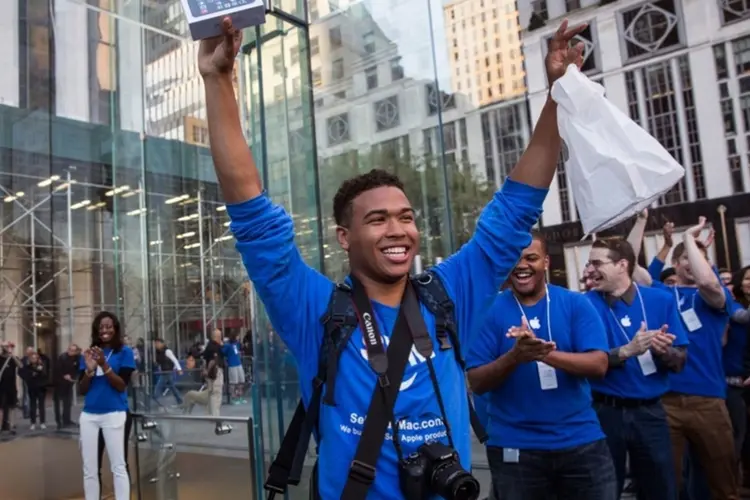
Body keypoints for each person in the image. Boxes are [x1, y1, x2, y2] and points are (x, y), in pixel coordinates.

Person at [198, 15, 585, 498]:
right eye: (377, 220)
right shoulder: (316, 311)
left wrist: (555, 95)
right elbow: (253, 216)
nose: (398, 230)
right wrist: (217, 80)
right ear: (345, 237)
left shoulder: (448, 299)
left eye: (406, 216)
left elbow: (515, 211)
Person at [467, 233, 615, 500]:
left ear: (546, 262)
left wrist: (544, 355)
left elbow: (599, 364)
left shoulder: (575, 304)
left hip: (581, 442)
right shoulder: (489, 312)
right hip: (515, 447)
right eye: (514, 259)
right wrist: (515, 357)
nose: (521, 265)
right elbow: (476, 381)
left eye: (531, 258)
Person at [636, 217, 737, 500]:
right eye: (687, 260)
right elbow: (629, 268)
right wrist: (641, 221)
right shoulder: (662, 293)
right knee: (666, 485)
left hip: (708, 401)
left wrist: (691, 240)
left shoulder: (714, 298)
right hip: (665, 401)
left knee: (722, 483)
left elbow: (707, 280)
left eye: (699, 260)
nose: (693, 265)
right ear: (677, 264)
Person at [584, 236, 688, 499]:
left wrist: (665, 351)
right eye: (589, 263)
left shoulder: (660, 300)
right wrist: (627, 351)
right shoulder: (584, 305)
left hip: (650, 412)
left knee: (660, 487)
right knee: (603, 489)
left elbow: (680, 360)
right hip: (604, 411)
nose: (590, 269)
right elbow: (583, 362)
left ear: (622, 265)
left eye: (597, 263)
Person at [78, 311, 135, 500]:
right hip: (89, 416)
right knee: (90, 469)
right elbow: (82, 390)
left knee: (118, 466)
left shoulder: (124, 352)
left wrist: (104, 365)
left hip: (114, 413)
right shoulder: (89, 353)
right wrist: (89, 370)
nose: (105, 330)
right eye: (101, 327)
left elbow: (121, 385)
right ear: (96, 330)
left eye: (109, 326)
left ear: (115, 328)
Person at [20, 350, 49, 430]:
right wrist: (32, 374)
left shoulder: (42, 365)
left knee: (41, 406)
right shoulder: (27, 367)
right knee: (32, 406)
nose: (34, 360)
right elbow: (26, 375)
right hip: (32, 388)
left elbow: (44, 374)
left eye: (35, 358)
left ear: (37, 358)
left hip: (41, 388)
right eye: (32, 358)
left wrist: (37, 372)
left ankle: (42, 422)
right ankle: (33, 423)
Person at [54, 344, 80, 429]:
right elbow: (57, 369)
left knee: (67, 403)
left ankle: (67, 420)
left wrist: (74, 377)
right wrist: (64, 375)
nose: (70, 352)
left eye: (73, 350)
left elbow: (76, 368)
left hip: (69, 384)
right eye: (70, 349)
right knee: (59, 403)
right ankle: (59, 422)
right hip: (60, 383)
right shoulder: (62, 357)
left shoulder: (76, 358)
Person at [152, 338, 183, 406]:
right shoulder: (158, 352)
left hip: (168, 372)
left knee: (160, 386)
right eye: (155, 344)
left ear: (162, 343)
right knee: (172, 387)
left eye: (157, 343)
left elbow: (174, 360)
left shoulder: (167, 351)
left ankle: (155, 397)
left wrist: (179, 369)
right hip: (164, 372)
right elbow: (160, 362)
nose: (156, 345)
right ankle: (180, 400)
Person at [0, 341, 22, 434]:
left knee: (12, 406)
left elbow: (20, 365)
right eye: (6, 347)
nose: (8, 348)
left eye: (10, 347)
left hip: (11, 386)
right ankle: (1, 426)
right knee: (1, 406)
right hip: (1, 386)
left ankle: (11, 425)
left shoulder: (13, 358)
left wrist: (12, 355)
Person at [222, 333, 245, 404]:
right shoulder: (228, 345)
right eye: (237, 336)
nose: (238, 337)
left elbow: (239, 350)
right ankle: (233, 398)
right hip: (232, 365)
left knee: (241, 381)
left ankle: (240, 397)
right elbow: (223, 352)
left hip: (239, 364)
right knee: (233, 382)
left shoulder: (237, 344)